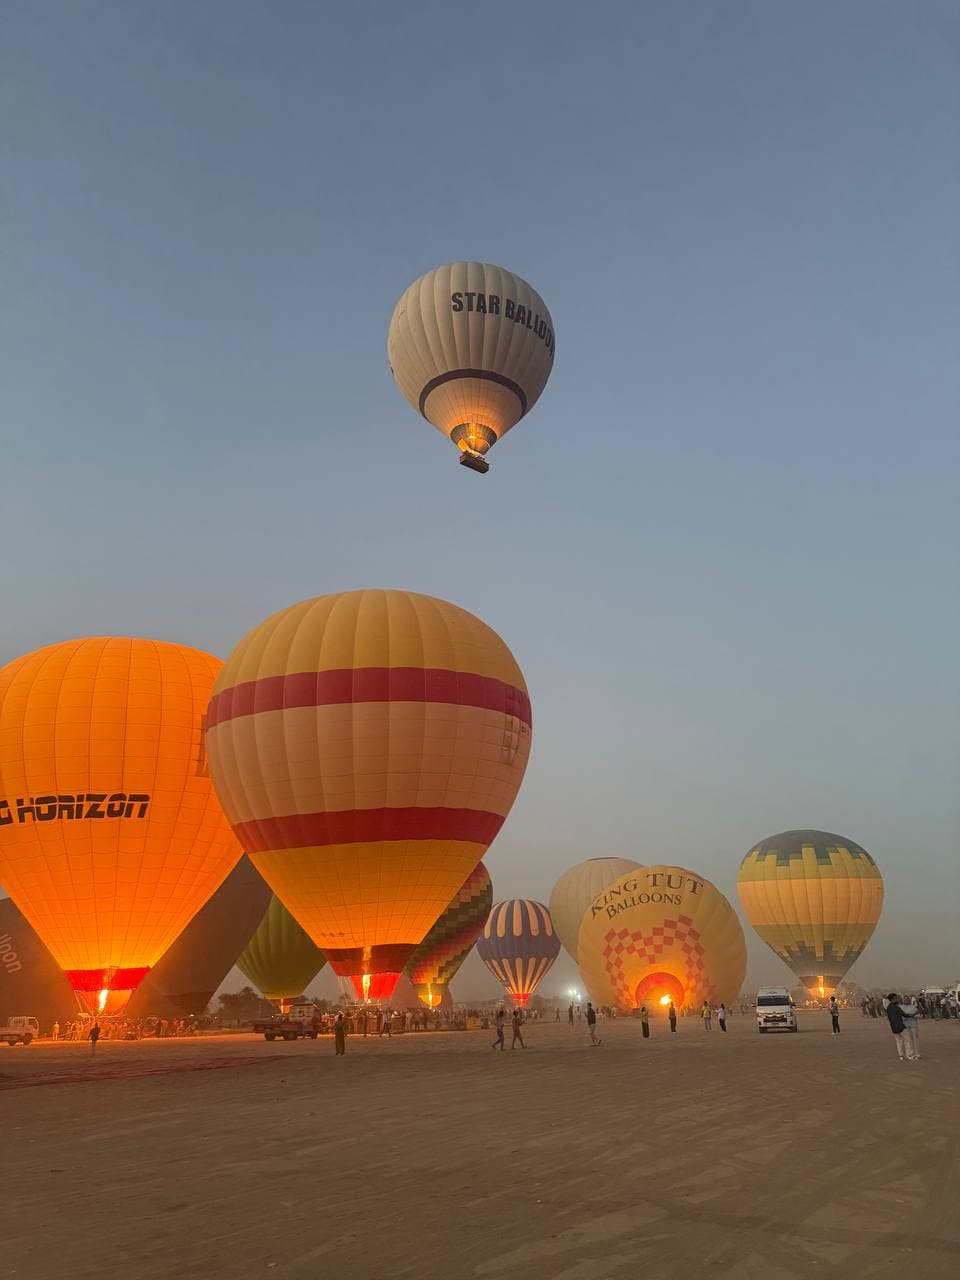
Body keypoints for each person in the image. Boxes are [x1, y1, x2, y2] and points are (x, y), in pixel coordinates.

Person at [885, 994, 915, 1061]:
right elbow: (904, 1015)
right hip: (900, 1027)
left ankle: (901, 1056)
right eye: (896, 998)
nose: (897, 999)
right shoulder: (896, 1007)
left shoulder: (888, 1007)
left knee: (899, 1041)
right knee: (907, 1040)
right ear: (892, 999)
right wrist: (913, 1014)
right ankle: (909, 1055)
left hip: (893, 1027)